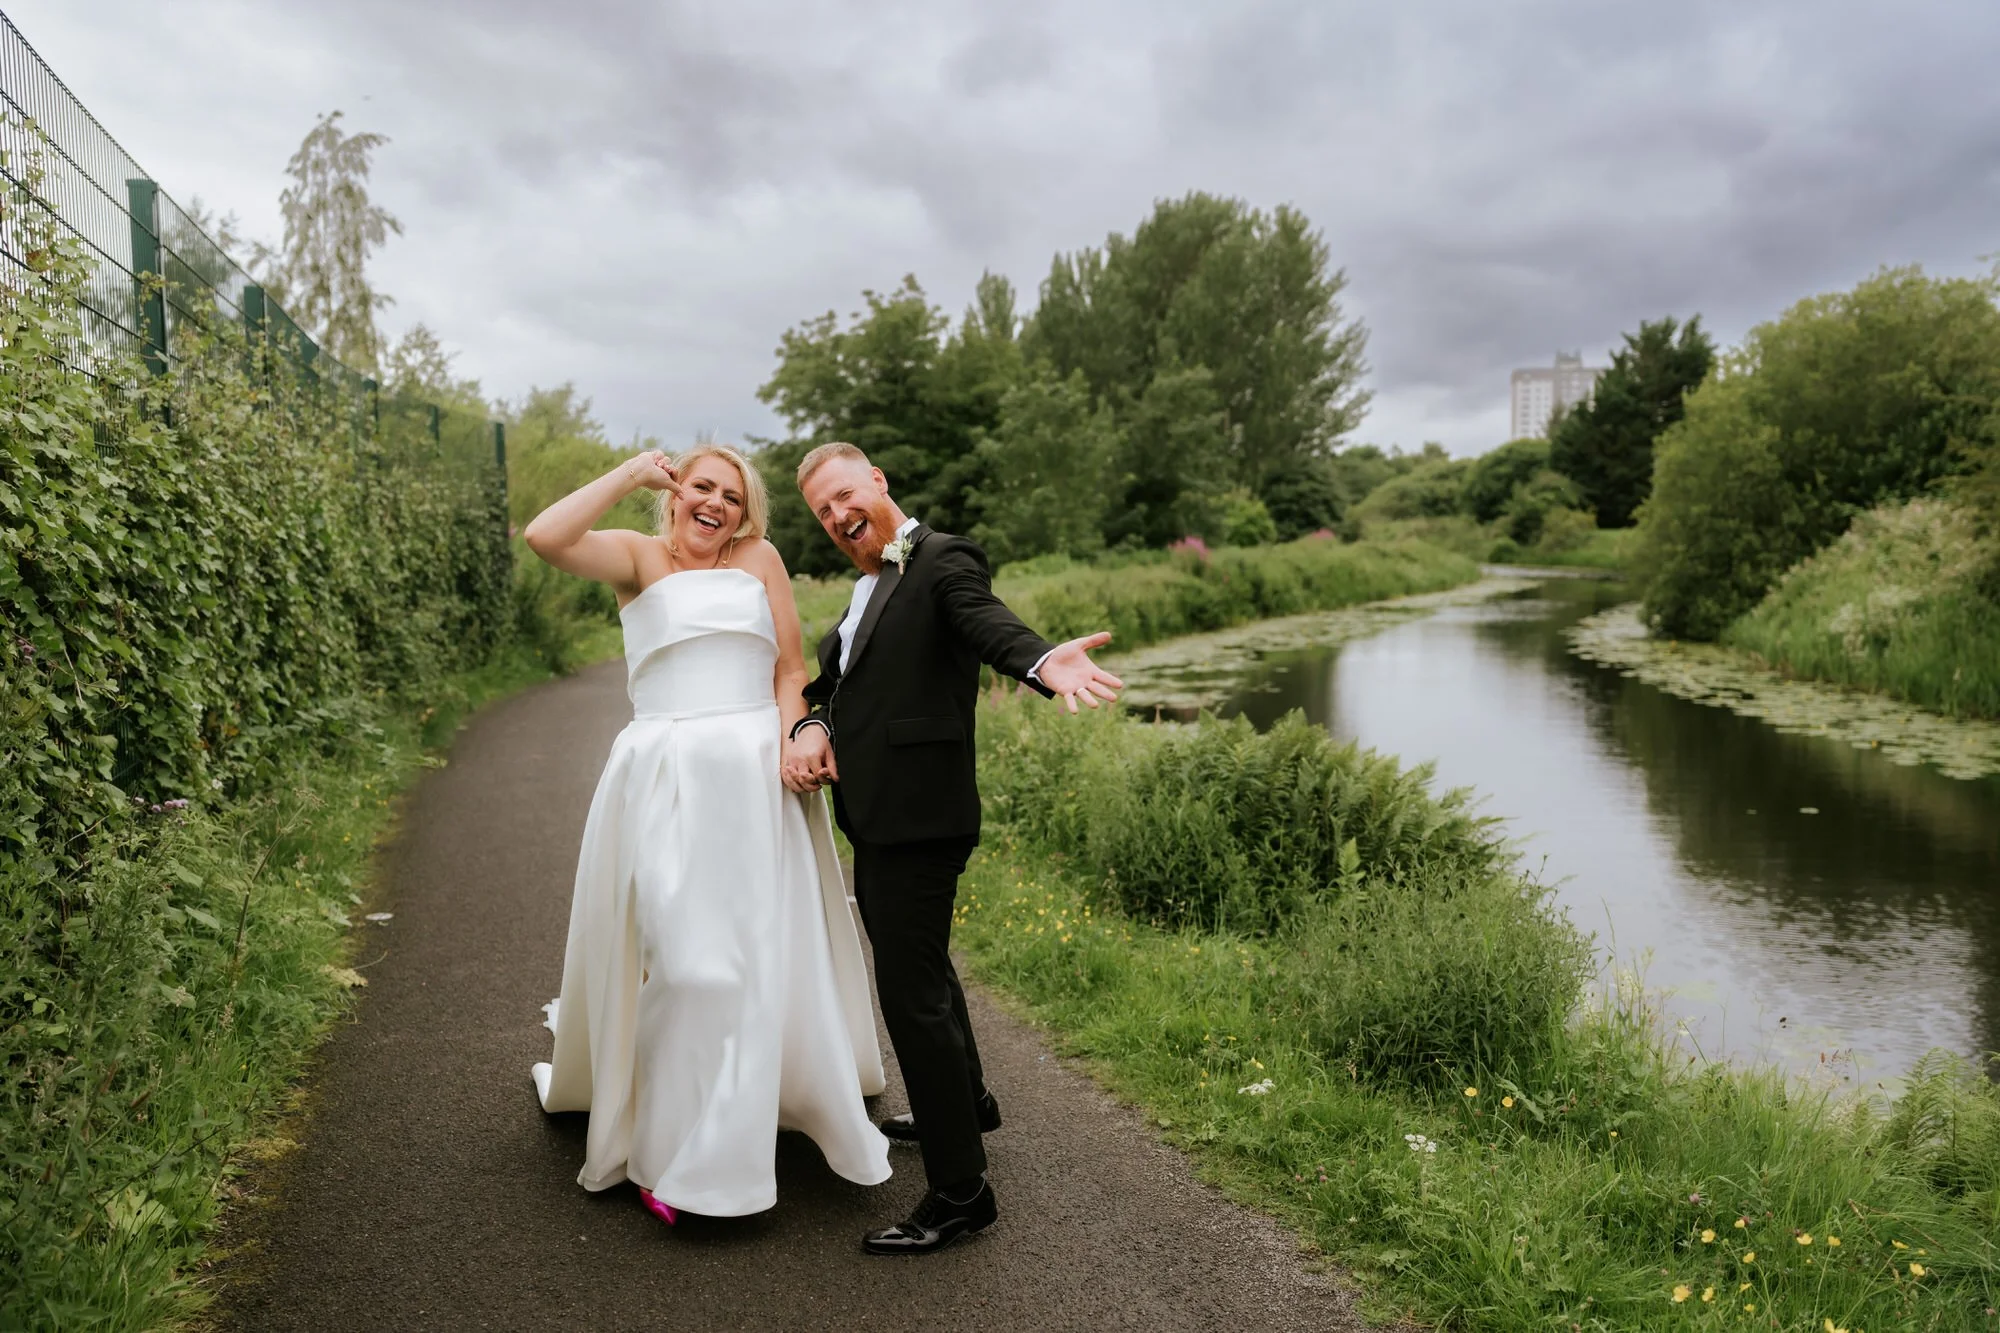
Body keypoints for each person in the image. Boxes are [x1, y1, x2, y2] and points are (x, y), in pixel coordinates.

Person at [525, 443, 891, 1224]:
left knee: (757, 961)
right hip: (664, 775)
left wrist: (799, 734)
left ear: (745, 509)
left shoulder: (759, 559)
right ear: (674, 491)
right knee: (690, 965)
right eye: (701, 486)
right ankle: (667, 1139)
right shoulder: (636, 558)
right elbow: (545, 537)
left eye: (731, 494)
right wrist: (626, 473)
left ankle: (713, 1150)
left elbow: (790, 668)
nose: (715, 503)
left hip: (757, 778)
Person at [783, 442, 1122, 1256]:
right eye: (821, 512)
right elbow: (840, 684)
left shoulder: (939, 558)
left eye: (842, 496)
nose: (835, 517)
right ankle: (967, 1103)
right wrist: (814, 720)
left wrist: (1041, 661)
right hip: (884, 813)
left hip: (919, 817)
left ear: (877, 481)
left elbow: (984, 621)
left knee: (910, 993)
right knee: (925, 966)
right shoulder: (869, 587)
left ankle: (962, 1191)